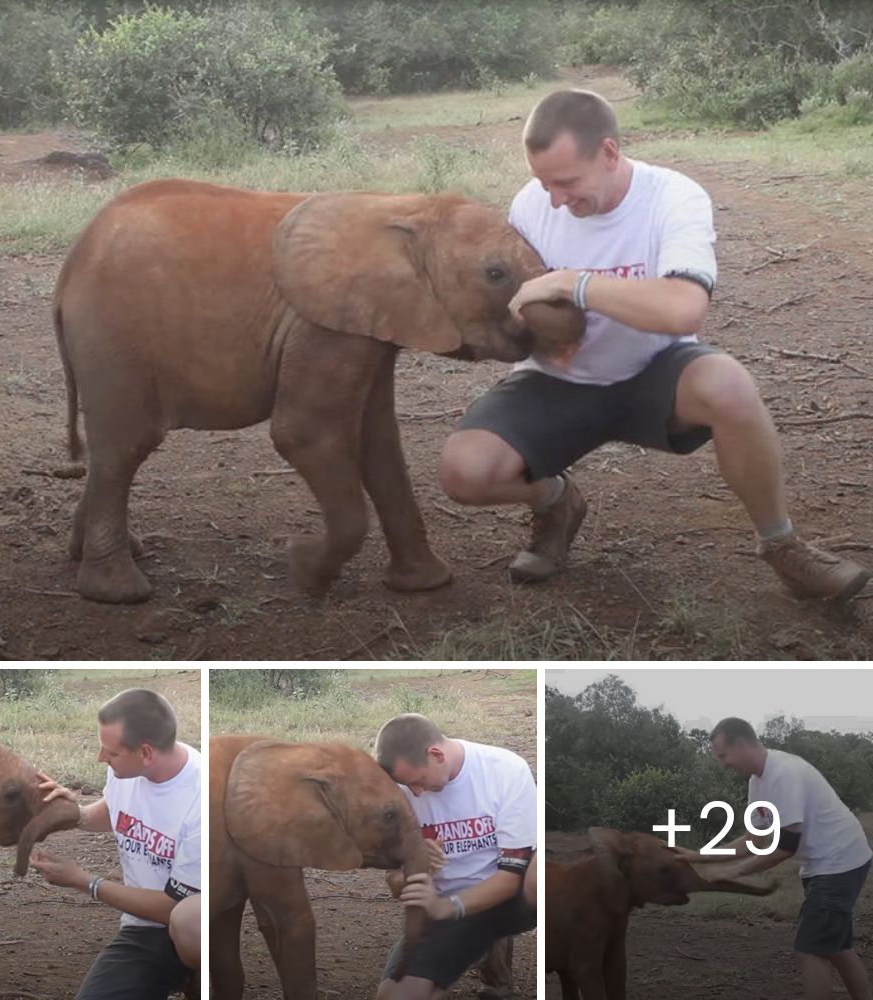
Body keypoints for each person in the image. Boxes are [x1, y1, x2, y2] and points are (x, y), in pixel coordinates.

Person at [439, 88, 870, 603]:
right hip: (556, 381)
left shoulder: (674, 197)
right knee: (463, 473)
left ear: (610, 153)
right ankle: (557, 501)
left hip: (654, 370)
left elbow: (683, 308)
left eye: (568, 182)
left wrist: (577, 283)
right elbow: (517, 303)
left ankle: (782, 545)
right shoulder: (531, 206)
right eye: (543, 181)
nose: (555, 199)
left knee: (728, 383)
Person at [672, 717, 872, 1000]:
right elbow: (754, 841)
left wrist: (735, 872)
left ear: (740, 744)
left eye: (722, 755)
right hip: (824, 864)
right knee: (835, 947)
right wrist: (698, 856)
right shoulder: (758, 783)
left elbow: (786, 846)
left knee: (809, 949)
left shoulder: (783, 773)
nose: (722, 764)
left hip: (839, 861)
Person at [30, 688, 201, 1000]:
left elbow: (171, 907)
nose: (100, 758)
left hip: (196, 925)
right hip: (145, 929)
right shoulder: (125, 773)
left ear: (146, 753)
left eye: (110, 752)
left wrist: (86, 882)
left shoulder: (201, 800)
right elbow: (115, 811)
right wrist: (75, 814)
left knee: (190, 921)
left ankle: (203, 976)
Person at [373, 713, 537, 1000]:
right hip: (446, 908)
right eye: (407, 785)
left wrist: (448, 907)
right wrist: (415, 868)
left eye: (419, 781)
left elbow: (512, 875)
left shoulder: (505, 770)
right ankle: (474, 946)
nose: (416, 792)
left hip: (510, 900)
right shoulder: (399, 793)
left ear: (436, 754)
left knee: (539, 874)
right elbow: (395, 884)